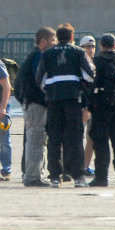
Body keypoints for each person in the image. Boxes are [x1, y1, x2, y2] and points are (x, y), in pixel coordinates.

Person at [36, 23, 94, 188]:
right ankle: (78, 176)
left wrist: (50, 92)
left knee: (54, 138)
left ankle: (55, 176)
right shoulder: (78, 52)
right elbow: (90, 75)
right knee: (75, 138)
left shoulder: (47, 54)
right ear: (72, 37)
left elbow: (39, 79)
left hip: (54, 100)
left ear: (58, 37)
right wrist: (82, 89)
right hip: (73, 99)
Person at [88, 34, 115, 187]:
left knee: (101, 144)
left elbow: (92, 83)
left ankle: (101, 177)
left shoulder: (97, 61)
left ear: (101, 45)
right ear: (114, 45)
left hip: (100, 107)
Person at [17, 27, 57, 187]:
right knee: (36, 140)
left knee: (37, 139)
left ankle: (36, 174)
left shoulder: (33, 56)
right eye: (53, 40)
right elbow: (39, 80)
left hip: (32, 103)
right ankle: (33, 177)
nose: (55, 43)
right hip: (36, 104)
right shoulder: (38, 56)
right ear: (43, 41)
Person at [79, 35, 97, 177]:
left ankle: (85, 166)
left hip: (94, 105)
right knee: (77, 136)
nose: (90, 49)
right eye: (87, 47)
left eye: (92, 46)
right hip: (81, 105)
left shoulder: (96, 64)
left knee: (91, 137)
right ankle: (74, 165)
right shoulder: (78, 64)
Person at [0, 57, 12, 182]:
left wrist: (3, 107)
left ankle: (6, 170)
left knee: (3, 141)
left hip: (1, 107)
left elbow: (7, 87)